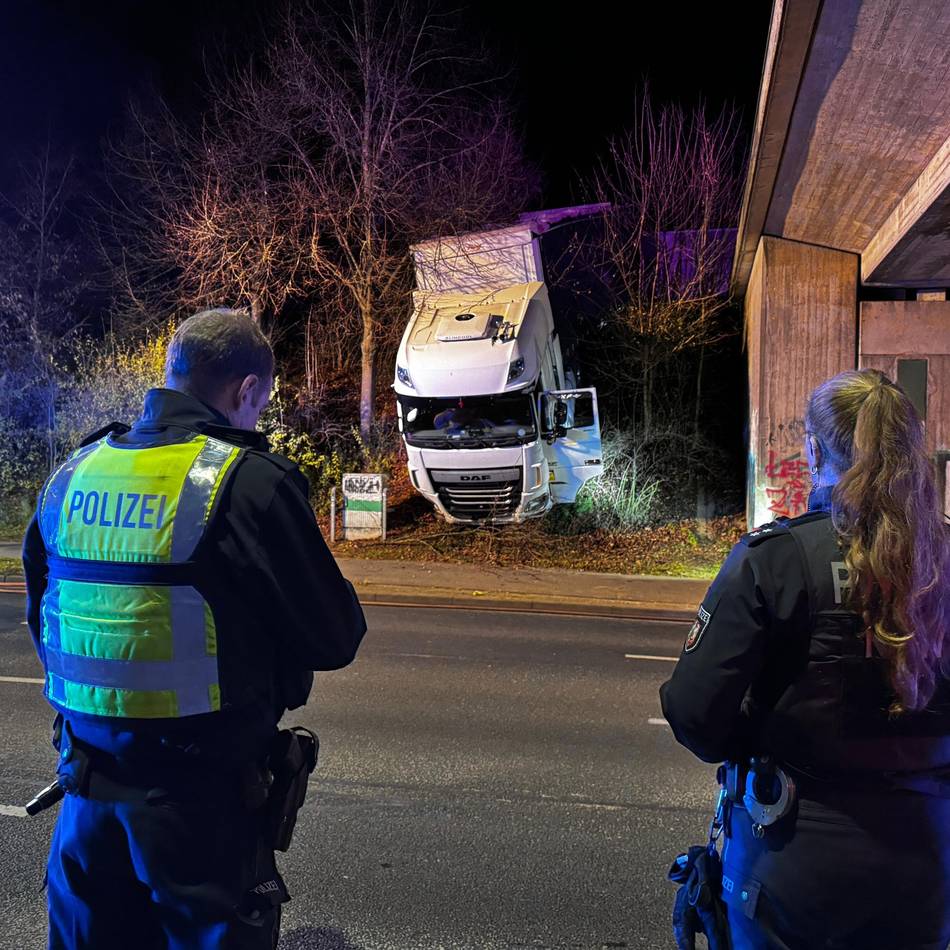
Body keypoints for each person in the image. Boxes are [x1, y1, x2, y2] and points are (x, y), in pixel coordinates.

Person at [22, 308, 367, 950]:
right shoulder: (246, 483)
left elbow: (47, 625)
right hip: (198, 811)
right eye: (260, 402)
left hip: (85, 800)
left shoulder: (72, 476)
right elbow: (334, 636)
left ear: (170, 374)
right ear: (247, 391)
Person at [660, 368, 950, 950]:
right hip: (928, 863)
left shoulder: (776, 560)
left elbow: (695, 714)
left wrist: (758, 730)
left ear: (814, 449)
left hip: (793, 863)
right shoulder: (942, 560)